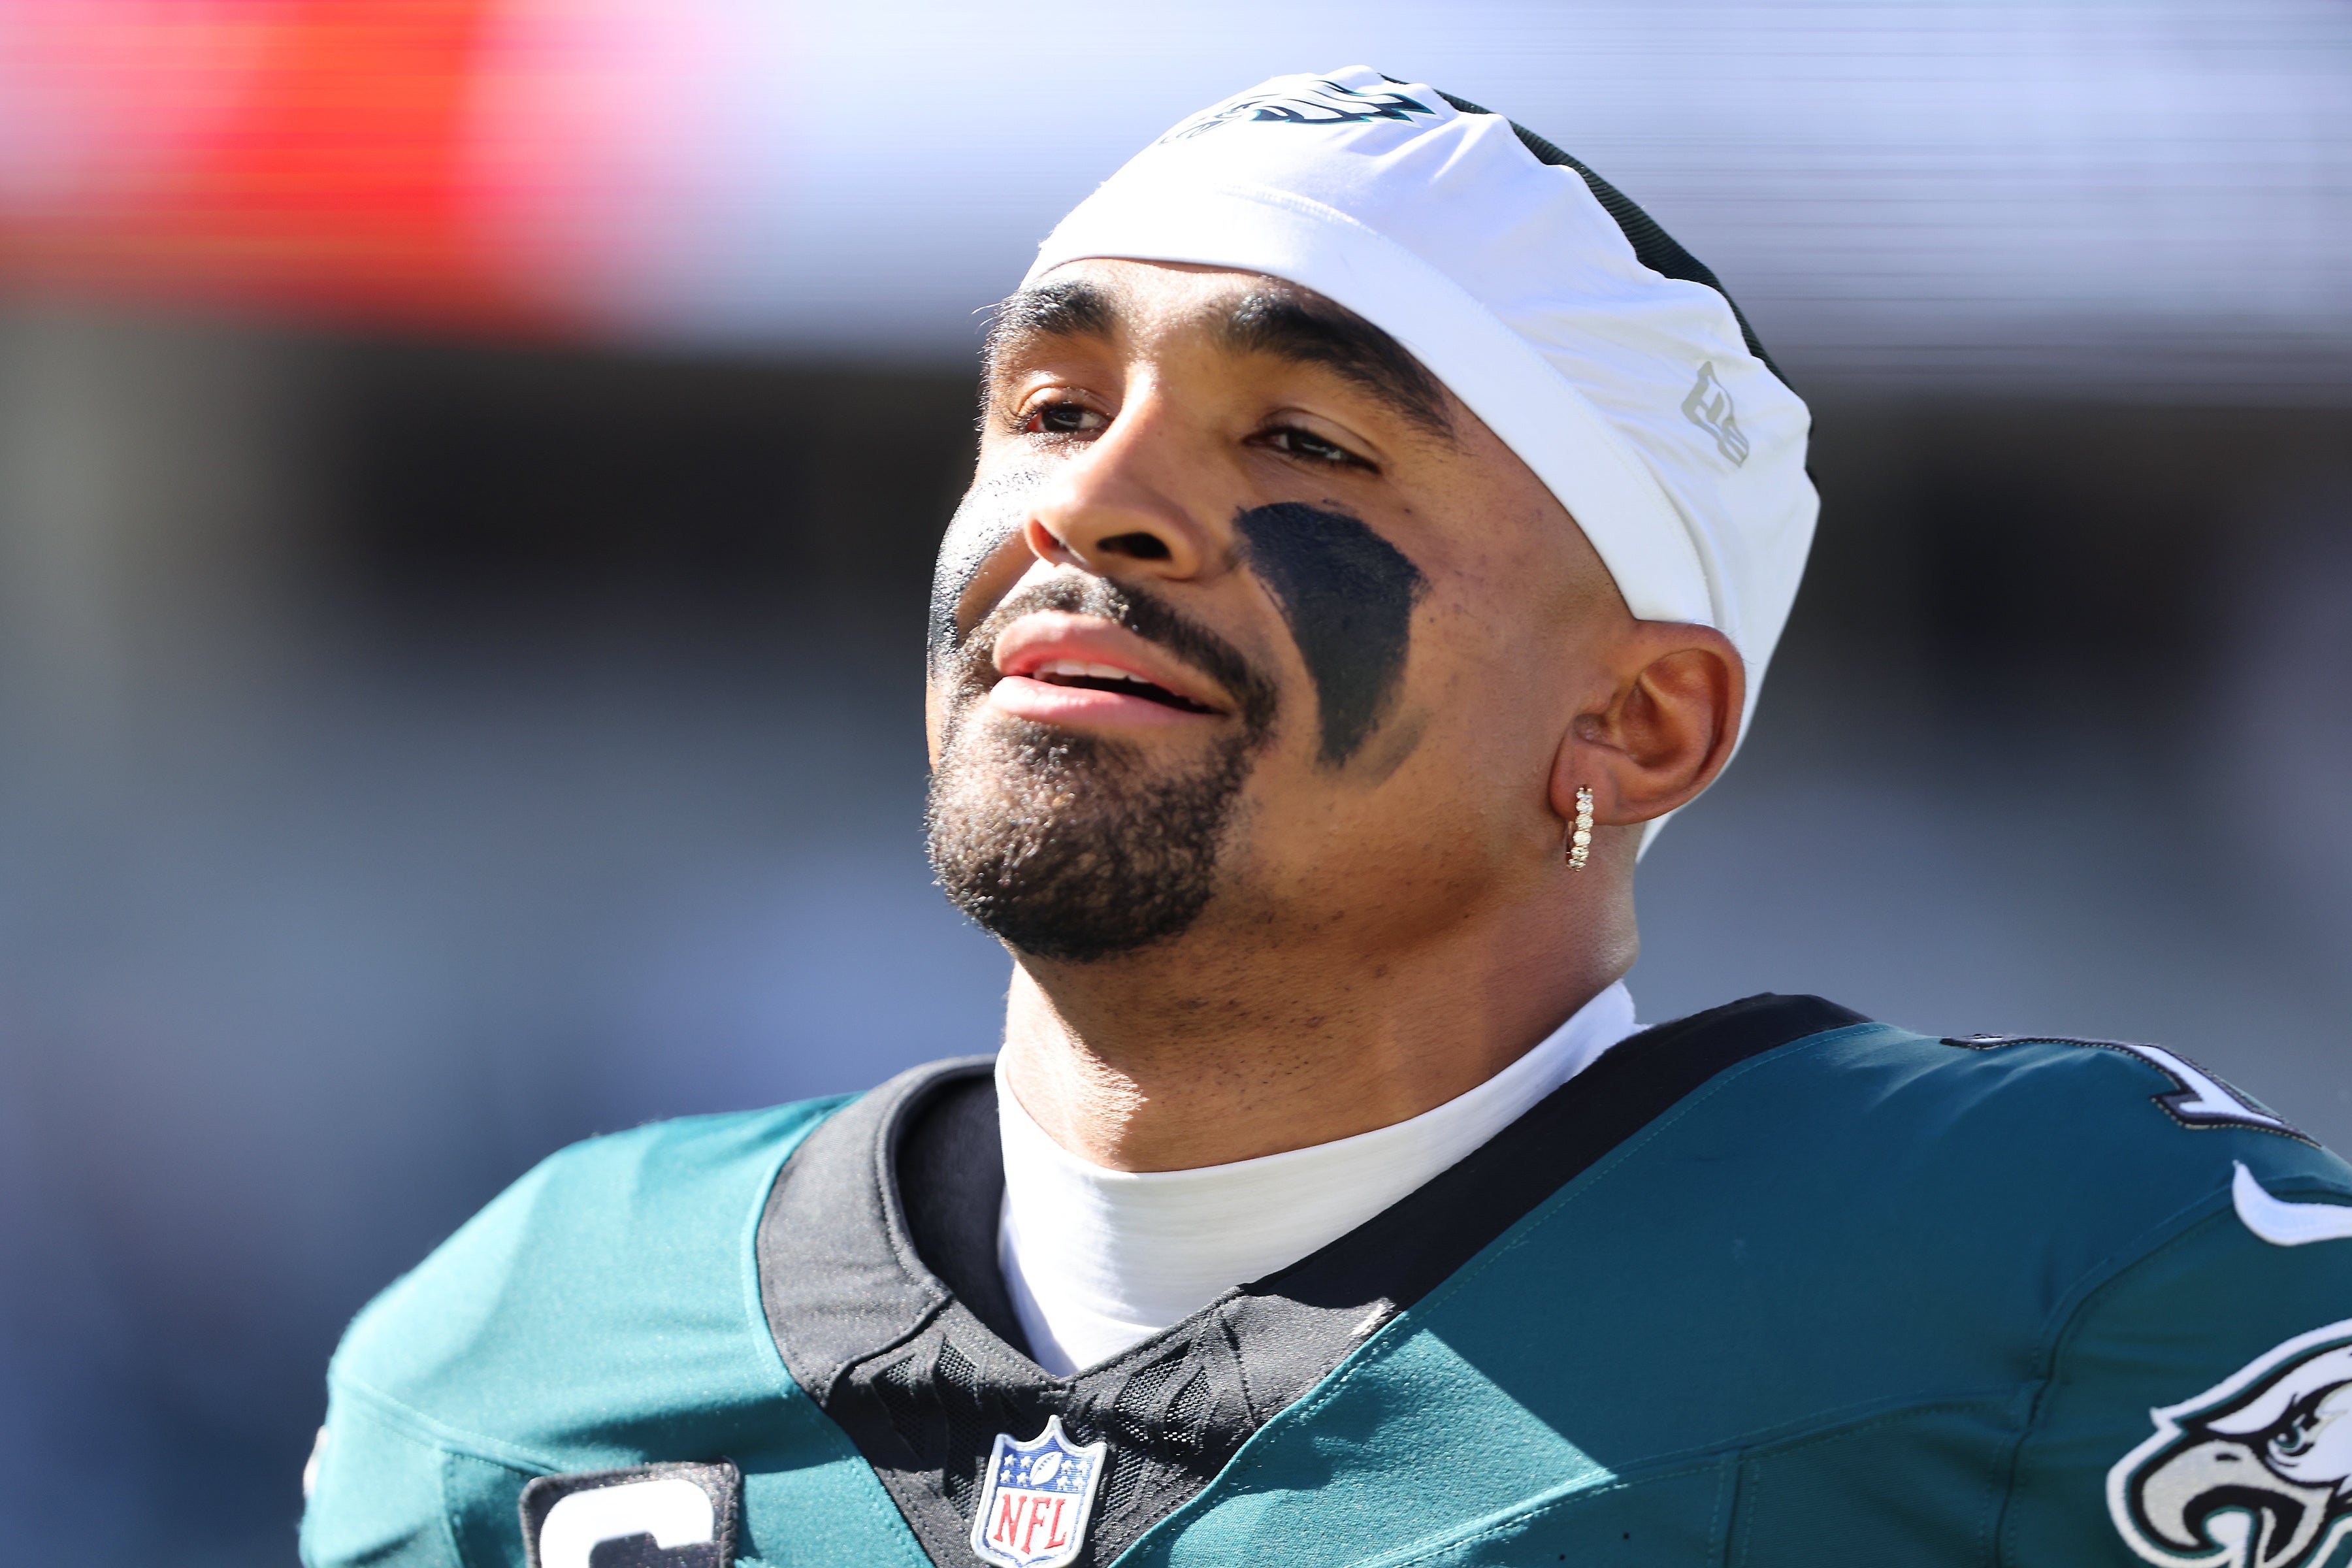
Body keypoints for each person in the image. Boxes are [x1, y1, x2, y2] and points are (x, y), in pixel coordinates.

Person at [301, 68, 2352, 1568]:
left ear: (1635, 721)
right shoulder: (526, 1353)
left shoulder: (2062, 1284)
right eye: (1050, 408)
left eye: (1300, 436)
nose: (1092, 502)